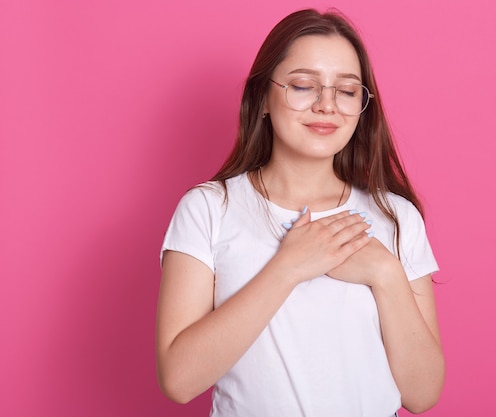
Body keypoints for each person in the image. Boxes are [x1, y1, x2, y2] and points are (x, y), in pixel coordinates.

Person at [156, 8, 445, 417]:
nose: (327, 105)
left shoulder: (395, 216)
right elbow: (179, 380)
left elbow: (423, 394)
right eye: (304, 86)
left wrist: (386, 275)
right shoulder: (208, 209)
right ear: (262, 100)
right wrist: (288, 267)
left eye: (346, 91)